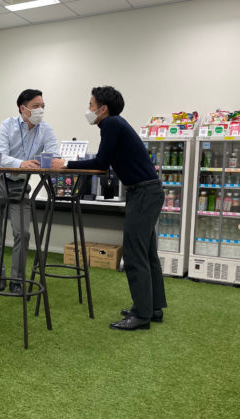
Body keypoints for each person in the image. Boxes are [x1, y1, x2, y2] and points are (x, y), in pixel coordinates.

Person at [65, 86, 166, 331]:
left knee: (134, 254)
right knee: (147, 252)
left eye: (91, 105)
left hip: (143, 193)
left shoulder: (111, 124)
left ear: (103, 109)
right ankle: (152, 308)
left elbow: (101, 163)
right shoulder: (117, 124)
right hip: (148, 191)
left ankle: (141, 315)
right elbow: (106, 162)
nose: (88, 109)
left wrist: (66, 164)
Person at [0, 89, 64, 294]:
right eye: (36, 106)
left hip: (20, 185)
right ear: (23, 108)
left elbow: (54, 155)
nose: (40, 110)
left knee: (23, 233)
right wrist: (21, 163)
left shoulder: (46, 129)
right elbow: (0, 155)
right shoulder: (8, 125)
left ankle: (16, 281)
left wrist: (57, 161)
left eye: (43, 106)